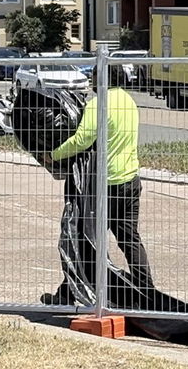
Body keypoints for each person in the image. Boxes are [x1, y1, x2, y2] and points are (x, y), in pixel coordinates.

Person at [50, 77, 153, 291]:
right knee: (129, 238)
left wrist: (54, 155)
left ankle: (71, 292)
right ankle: (147, 288)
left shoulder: (98, 104)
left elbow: (82, 140)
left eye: (94, 76)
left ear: (101, 78)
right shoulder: (128, 100)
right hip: (130, 179)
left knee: (84, 239)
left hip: (107, 184)